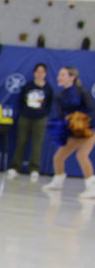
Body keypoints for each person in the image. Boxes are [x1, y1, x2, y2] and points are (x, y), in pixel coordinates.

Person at [42, 66, 95, 197]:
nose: (59, 77)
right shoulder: (59, 96)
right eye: (59, 74)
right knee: (58, 158)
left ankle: (92, 187)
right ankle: (58, 182)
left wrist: (83, 120)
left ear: (72, 77)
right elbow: (61, 116)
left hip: (89, 129)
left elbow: (92, 109)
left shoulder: (82, 91)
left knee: (82, 155)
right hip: (73, 131)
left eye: (63, 75)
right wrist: (65, 123)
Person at [8, 62, 54, 179]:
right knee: (21, 142)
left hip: (40, 119)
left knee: (37, 144)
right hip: (25, 117)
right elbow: (21, 101)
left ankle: (34, 168)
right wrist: (25, 111)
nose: (40, 74)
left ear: (45, 74)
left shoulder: (48, 88)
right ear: (34, 73)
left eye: (42, 71)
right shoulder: (28, 86)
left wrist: (44, 114)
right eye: (38, 71)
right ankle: (15, 167)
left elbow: (49, 104)